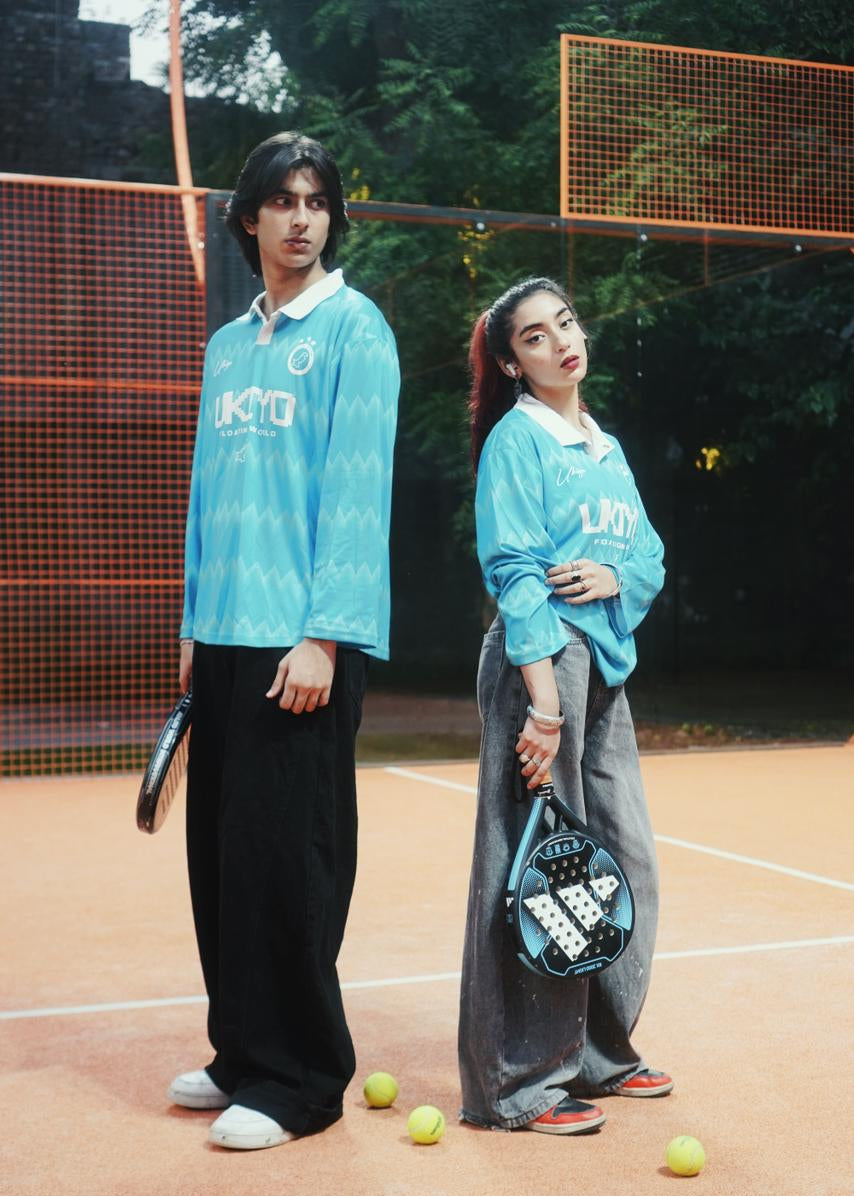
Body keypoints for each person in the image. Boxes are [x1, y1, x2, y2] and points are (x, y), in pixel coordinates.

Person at [170, 132, 400, 1150]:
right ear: (250, 217)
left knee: (288, 865)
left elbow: (356, 492)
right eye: (282, 200)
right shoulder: (228, 345)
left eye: (315, 201)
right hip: (225, 636)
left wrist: (323, 636)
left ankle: (301, 1078)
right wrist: (192, 624)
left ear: (330, 217)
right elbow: (206, 490)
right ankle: (242, 1053)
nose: (300, 217)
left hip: (300, 645)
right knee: (222, 862)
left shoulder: (356, 329)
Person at [458, 277, 669, 1135]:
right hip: (540, 667)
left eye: (566, 322)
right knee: (533, 875)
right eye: (536, 336)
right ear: (514, 362)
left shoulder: (603, 447)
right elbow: (513, 569)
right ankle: (520, 1084)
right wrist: (542, 705)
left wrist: (616, 574)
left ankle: (599, 1053)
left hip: (603, 668)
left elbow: (649, 555)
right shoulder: (518, 440)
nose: (562, 341)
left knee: (623, 863)